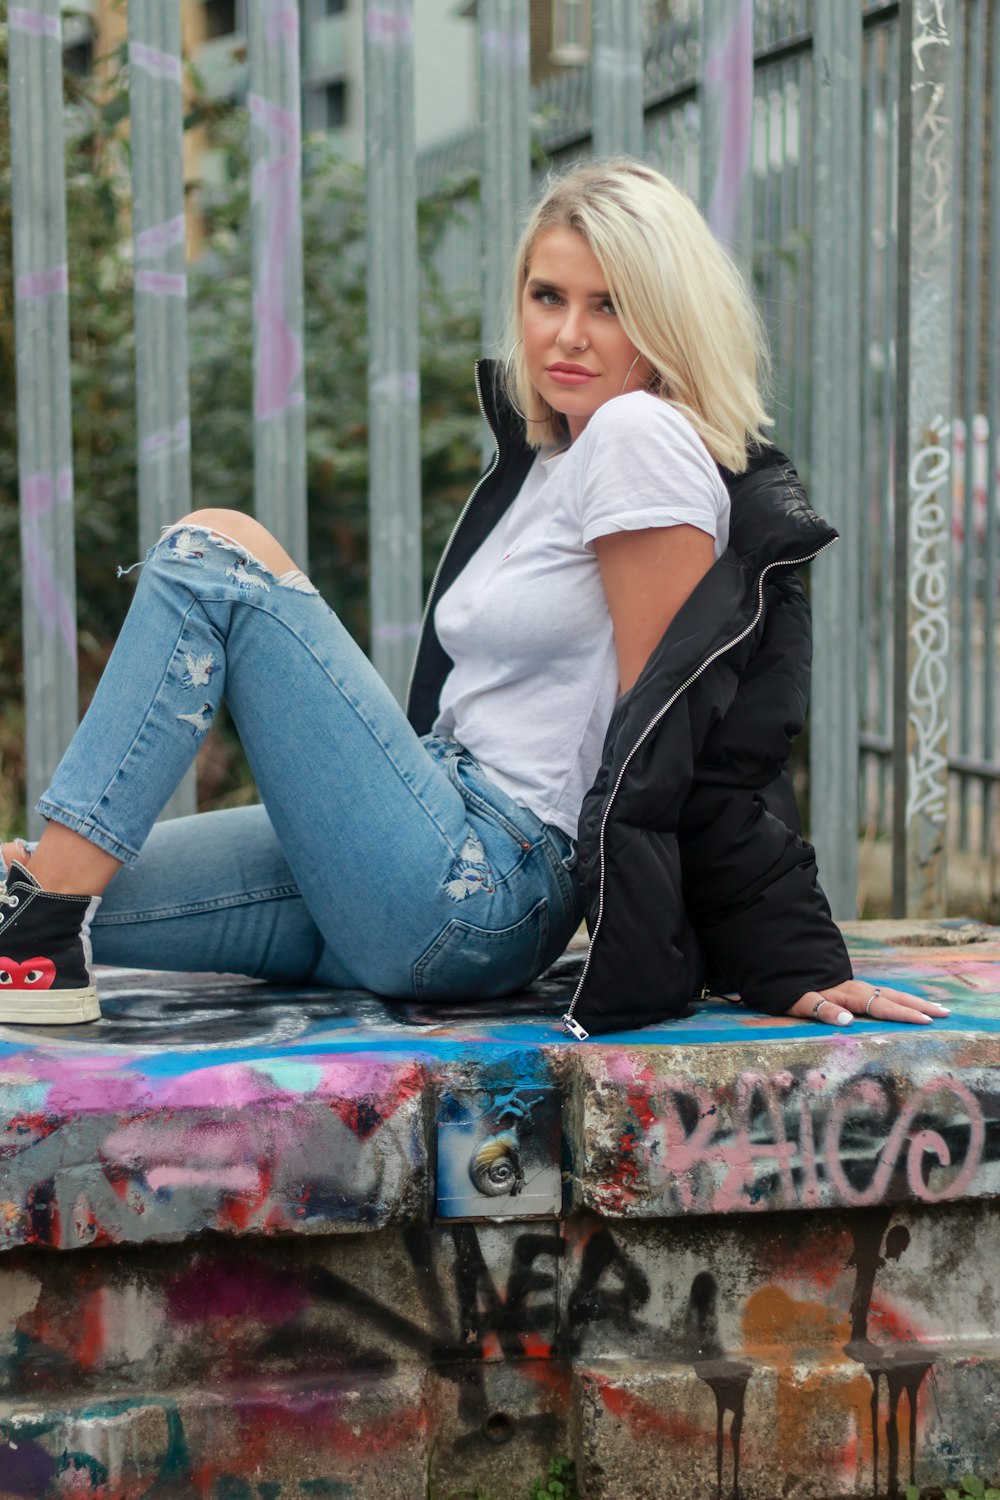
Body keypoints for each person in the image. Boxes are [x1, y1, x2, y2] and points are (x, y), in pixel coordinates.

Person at [0, 159, 946, 1038]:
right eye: (548, 297)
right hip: (408, 860)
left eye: (609, 306)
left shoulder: (636, 435)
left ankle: (36, 931)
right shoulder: (553, 455)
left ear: (667, 319)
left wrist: (782, 954)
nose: (567, 333)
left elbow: (675, 727)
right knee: (49, 875)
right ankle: (40, 923)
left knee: (215, 552)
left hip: (480, 880)